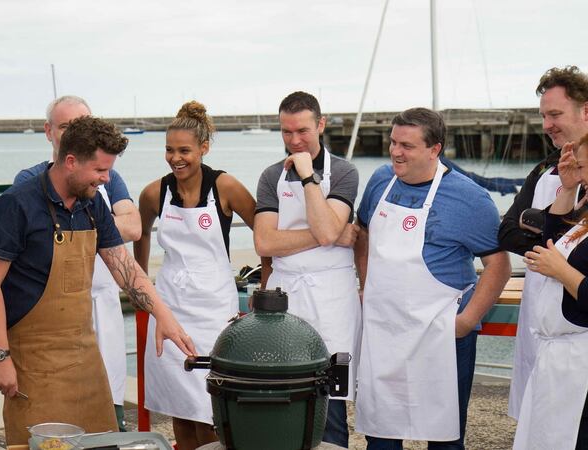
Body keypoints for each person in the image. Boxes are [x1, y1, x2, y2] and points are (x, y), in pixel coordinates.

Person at [0, 115, 196, 446]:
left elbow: (124, 265)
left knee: (101, 442)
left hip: (84, 355)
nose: (106, 179)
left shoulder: (91, 205)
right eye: (99, 170)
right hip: (32, 361)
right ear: (70, 161)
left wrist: (163, 316)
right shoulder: (15, 205)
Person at [353, 107, 511, 449]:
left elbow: (499, 265)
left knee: (445, 437)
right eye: (393, 142)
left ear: (434, 149)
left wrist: (467, 321)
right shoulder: (381, 180)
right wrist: (366, 285)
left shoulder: (469, 198)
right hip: (384, 333)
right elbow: (362, 234)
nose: (395, 151)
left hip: (440, 334)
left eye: (406, 146)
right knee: (380, 435)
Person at [134, 101, 256, 450]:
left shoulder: (226, 187)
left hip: (215, 308)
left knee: (211, 411)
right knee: (180, 410)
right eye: (169, 150)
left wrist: (269, 280)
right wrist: (141, 285)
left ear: (204, 148)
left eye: (184, 150)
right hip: (171, 303)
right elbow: (140, 233)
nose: (176, 158)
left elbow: (263, 229)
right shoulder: (155, 192)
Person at [13, 96, 141, 429]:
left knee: (108, 410)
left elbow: (135, 226)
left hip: (103, 304)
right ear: (49, 131)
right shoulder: (28, 180)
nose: (78, 131)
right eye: (68, 126)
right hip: (51, 315)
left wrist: (85, 220)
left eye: (83, 123)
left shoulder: (107, 175)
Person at [252, 91, 361, 448]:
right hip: (286, 297)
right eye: (286, 132)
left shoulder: (344, 172)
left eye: (302, 131)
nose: (295, 140)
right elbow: (265, 243)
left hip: (332, 301)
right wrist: (330, 235)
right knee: (281, 393)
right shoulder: (271, 177)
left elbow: (327, 229)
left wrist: (307, 176)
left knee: (330, 400)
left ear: (321, 125)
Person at [501, 66, 588, 420]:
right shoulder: (547, 170)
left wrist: (559, 262)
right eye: (543, 116)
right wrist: (551, 251)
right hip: (544, 314)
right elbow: (507, 232)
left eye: (555, 114)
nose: (547, 124)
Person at [513, 134, 588, 449]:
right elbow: (553, 241)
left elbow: (563, 264)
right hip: (557, 356)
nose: (580, 174)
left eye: (583, 167)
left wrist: (560, 270)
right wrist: (568, 189)